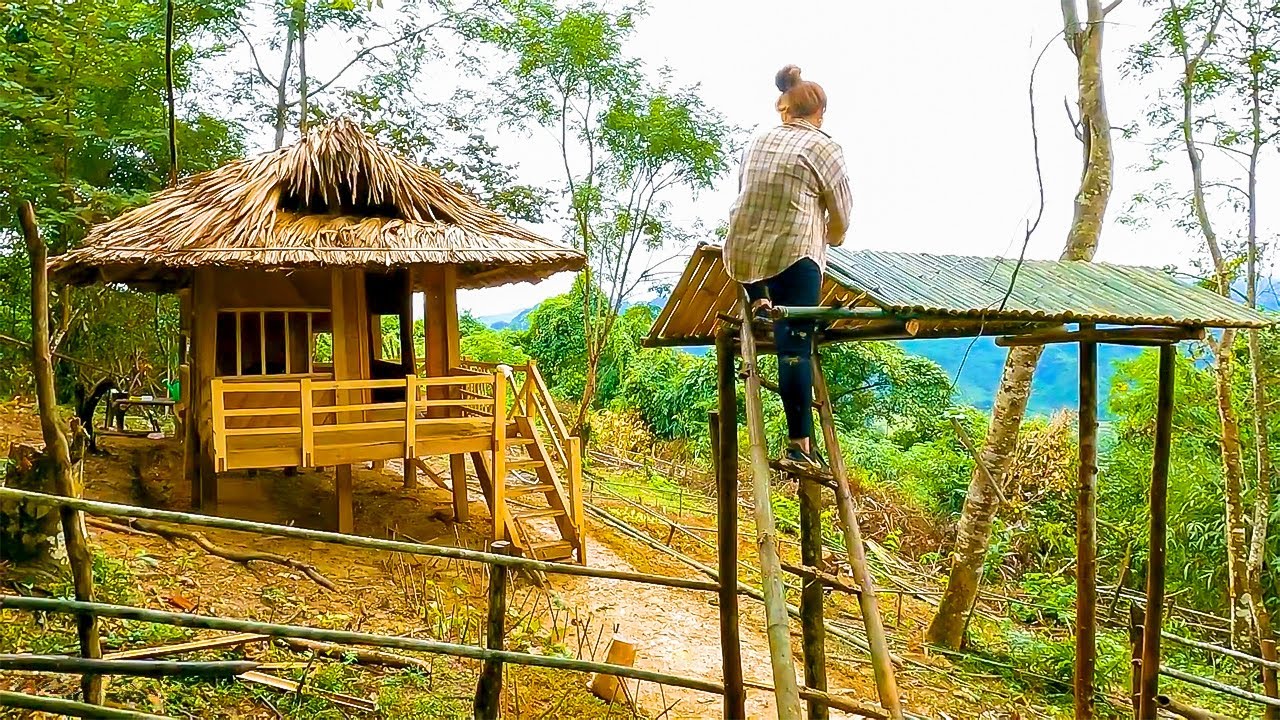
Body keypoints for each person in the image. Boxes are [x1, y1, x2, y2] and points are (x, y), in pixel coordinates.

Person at [724, 64, 852, 469]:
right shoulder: (825, 146)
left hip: (744, 260)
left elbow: (747, 193)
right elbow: (842, 214)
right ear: (819, 114)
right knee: (794, 348)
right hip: (795, 256)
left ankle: (760, 301)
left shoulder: (757, 142)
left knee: (759, 264)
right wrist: (833, 237)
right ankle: (800, 445)